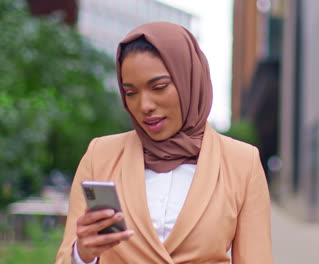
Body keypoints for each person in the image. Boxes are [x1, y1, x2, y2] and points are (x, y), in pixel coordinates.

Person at [55, 22, 273, 264]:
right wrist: (82, 255)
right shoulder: (101, 156)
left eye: (158, 87)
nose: (144, 105)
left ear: (188, 80)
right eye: (130, 93)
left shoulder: (241, 162)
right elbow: (66, 258)